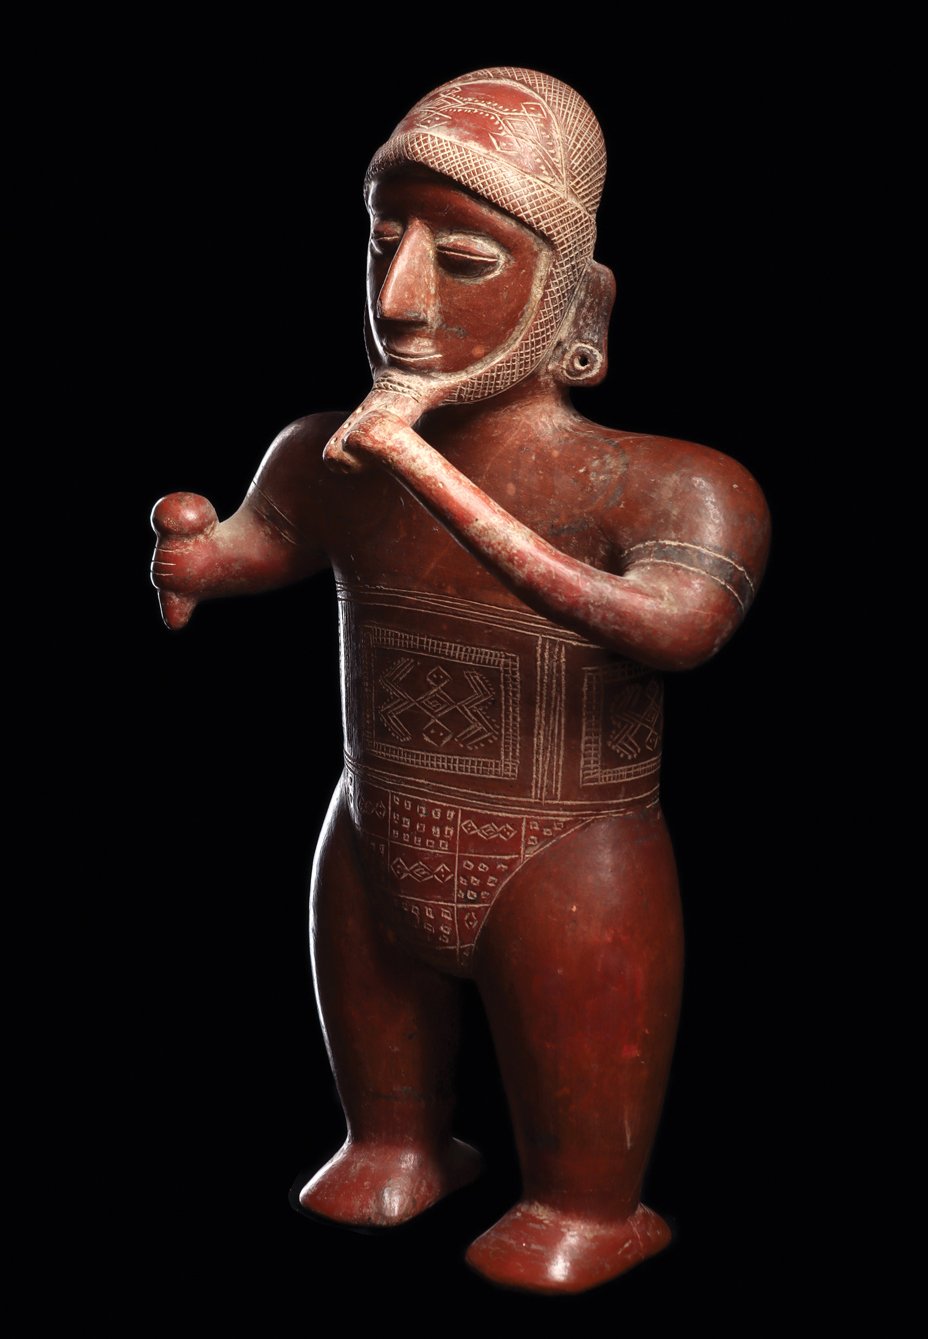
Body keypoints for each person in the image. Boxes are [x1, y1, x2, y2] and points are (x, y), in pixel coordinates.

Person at [151, 67, 770, 1294]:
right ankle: (398, 1144)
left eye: (467, 259)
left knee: (578, 1090)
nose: (401, 298)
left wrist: (422, 466)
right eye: (383, 244)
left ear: (575, 300)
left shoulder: (675, 487)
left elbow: (679, 627)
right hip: (373, 819)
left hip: (568, 852)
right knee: (376, 1062)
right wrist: (194, 556)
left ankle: (589, 1208)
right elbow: (257, 542)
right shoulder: (325, 458)